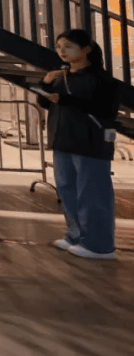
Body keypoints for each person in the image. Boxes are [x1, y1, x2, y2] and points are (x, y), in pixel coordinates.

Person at [36, 29, 119, 260]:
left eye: (68, 46)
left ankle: (99, 245)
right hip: (63, 139)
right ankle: (75, 235)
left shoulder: (101, 79)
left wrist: (65, 99)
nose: (62, 51)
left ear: (87, 49)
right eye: (58, 46)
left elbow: (105, 108)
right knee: (67, 189)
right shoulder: (61, 76)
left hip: (90, 141)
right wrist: (45, 83)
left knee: (92, 192)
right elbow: (45, 102)